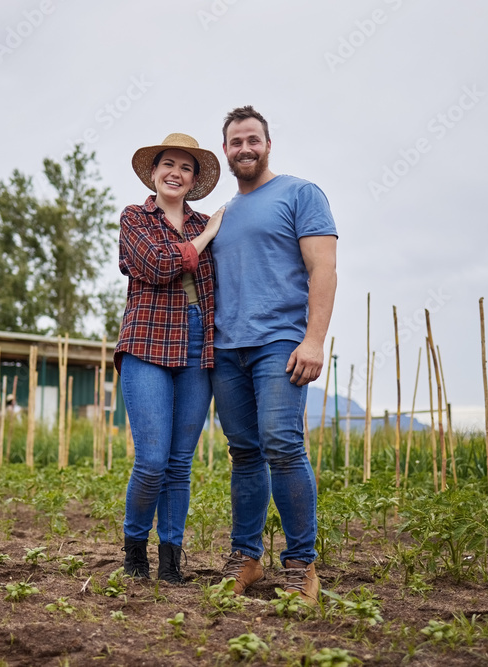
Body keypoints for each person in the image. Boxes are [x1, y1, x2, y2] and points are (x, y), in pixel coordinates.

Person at [210, 106, 338, 603]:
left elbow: (323, 270)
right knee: (244, 453)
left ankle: (301, 566)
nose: (244, 148)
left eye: (252, 140)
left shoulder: (300, 194)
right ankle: (247, 560)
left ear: (267, 144)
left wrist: (314, 339)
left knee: (283, 447)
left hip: (280, 343)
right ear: (225, 150)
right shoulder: (224, 214)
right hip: (226, 350)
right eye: (235, 142)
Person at [115, 133, 224, 584]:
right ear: (154, 172)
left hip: (200, 341)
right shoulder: (135, 218)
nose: (175, 173)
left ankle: (171, 559)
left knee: (181, 462)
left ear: (195, 179)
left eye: (185, 167)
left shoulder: (205, 222)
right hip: (146, 341)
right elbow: (159, 266)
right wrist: (208, 237)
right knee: (153, 460)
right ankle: (134, 550)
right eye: (168, 165)